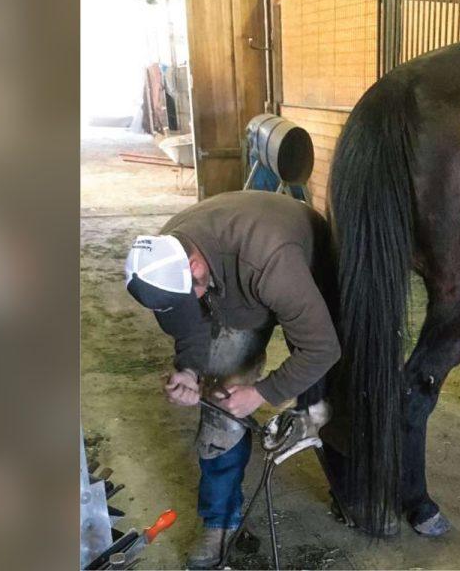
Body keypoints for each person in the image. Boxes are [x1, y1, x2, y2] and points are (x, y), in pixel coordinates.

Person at [123, 191, 340, 569]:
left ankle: (352, 487)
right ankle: (220, 521)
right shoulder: (162, 259)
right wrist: (190, 373)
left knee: (331, 386)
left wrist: (262, 392)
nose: (195, 301)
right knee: (221, 412)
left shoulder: (270, 261)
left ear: (193, 265)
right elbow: (189, 325)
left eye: (195, 293)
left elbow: (322, 348)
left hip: (297, 265)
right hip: (238, 290)